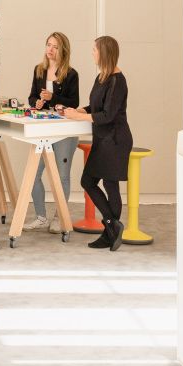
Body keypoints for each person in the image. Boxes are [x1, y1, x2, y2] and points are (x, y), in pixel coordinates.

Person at [62, 35, 132, 252]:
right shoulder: (101, 77)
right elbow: (96, 107)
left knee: (109, 185)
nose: (92, 53)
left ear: (104, 52)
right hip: (103, 139)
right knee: (89, 181)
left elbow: (108, 115)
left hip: (115, 139)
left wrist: (79, 117)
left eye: (94, 49)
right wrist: (79, 110)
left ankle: (110, 230)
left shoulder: (117, 81)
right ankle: (112, 228)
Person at [26, 31, 82, 233]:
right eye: (48, 45)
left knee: (62, 175)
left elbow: (74, 102)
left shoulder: (71, 74)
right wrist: (37, 102)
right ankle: (41, 217)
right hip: (43, 128)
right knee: (33, 174)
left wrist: (53, 98)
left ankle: (60, 217)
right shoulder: (39, 70)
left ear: (63, 50)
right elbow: (32, 96)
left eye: (55, 47)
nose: (50, 49)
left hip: (64, 130)